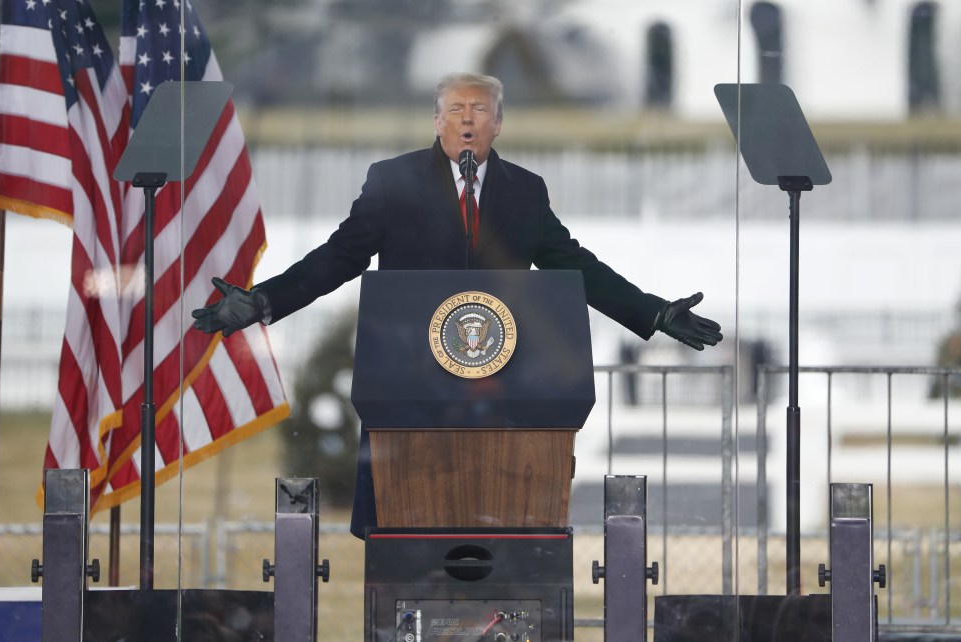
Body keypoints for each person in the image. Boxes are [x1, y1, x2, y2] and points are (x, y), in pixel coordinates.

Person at [192, 72, 723, 538]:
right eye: (455, 110)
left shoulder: (525, 191)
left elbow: (574, 264)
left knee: (497, 532)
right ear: (436, 121)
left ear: (498, 124)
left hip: (503, 392)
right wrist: (263, 300)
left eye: (479, 110)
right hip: (408, 385)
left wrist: (652, 312)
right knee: (405, 535)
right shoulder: (392, 181)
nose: (467, 120)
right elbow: (338, 257)